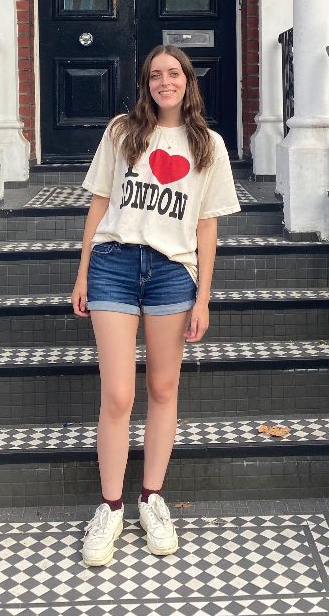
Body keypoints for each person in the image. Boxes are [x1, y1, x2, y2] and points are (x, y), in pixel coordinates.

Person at [71, 45, 240, 566]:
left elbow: (207, 225)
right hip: (115, 264)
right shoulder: (122, 132)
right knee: (118, 394)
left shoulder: (209, 145)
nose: (165, 82)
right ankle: (110, 508)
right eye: (155, 75)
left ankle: (151, 499)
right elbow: (100, 202)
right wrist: (82, 271)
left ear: (188, 80)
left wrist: (204, 295)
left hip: (172, 272)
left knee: (163, 388)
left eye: (173, 73)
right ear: (146, 84)